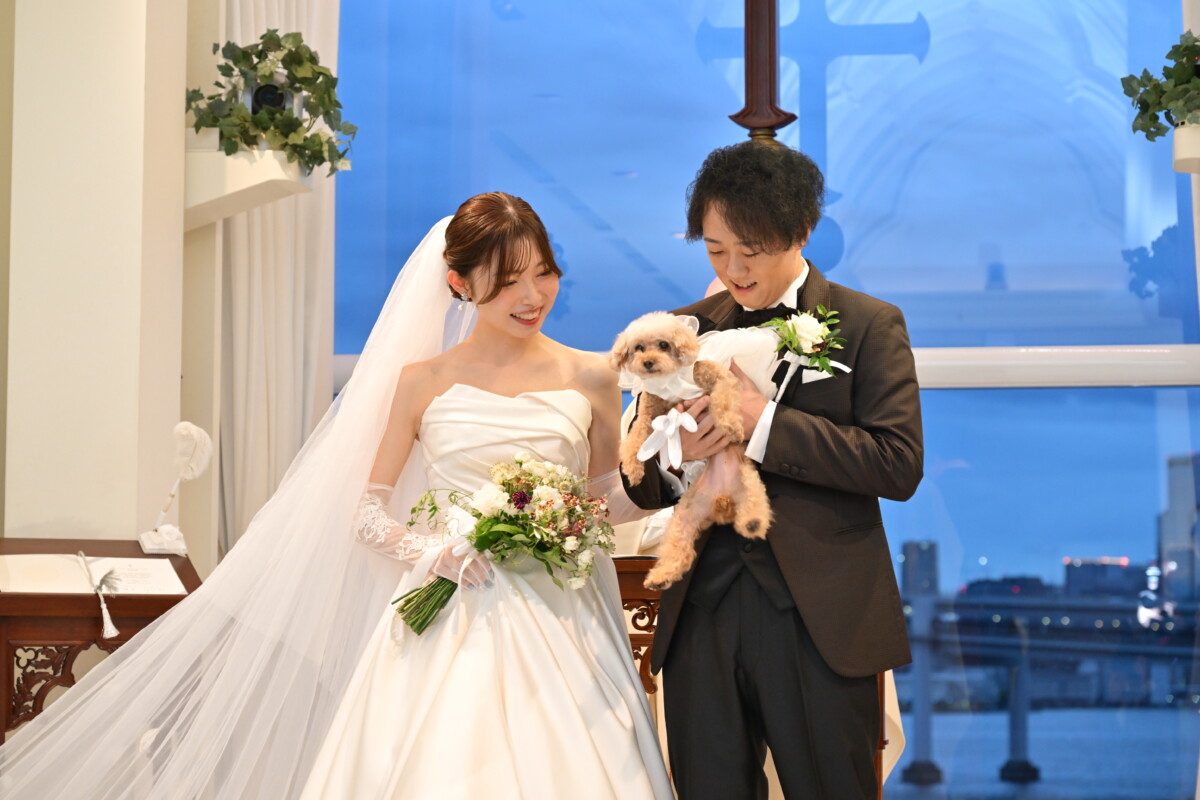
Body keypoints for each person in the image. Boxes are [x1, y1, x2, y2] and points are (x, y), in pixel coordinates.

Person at [0, 192, 672, 800]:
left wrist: (665, 480)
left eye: (543, 273)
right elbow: (367, 512)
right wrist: (432, 553)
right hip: (452, 609)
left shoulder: (590, 373)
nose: (532, 296)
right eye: (507, 282)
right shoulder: (422, 381)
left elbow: (603, 501)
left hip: (563, 612)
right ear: (460, 284)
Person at [622, 141, 923, 799]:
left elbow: (897, 464)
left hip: (820, 618)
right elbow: (643, 485)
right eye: (714, 250)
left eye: (750, 250)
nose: (732, 269)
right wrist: (671, 454)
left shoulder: (868, 324)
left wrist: (762, 422)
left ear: (801, 231)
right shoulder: (685, 329)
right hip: (701, 611)